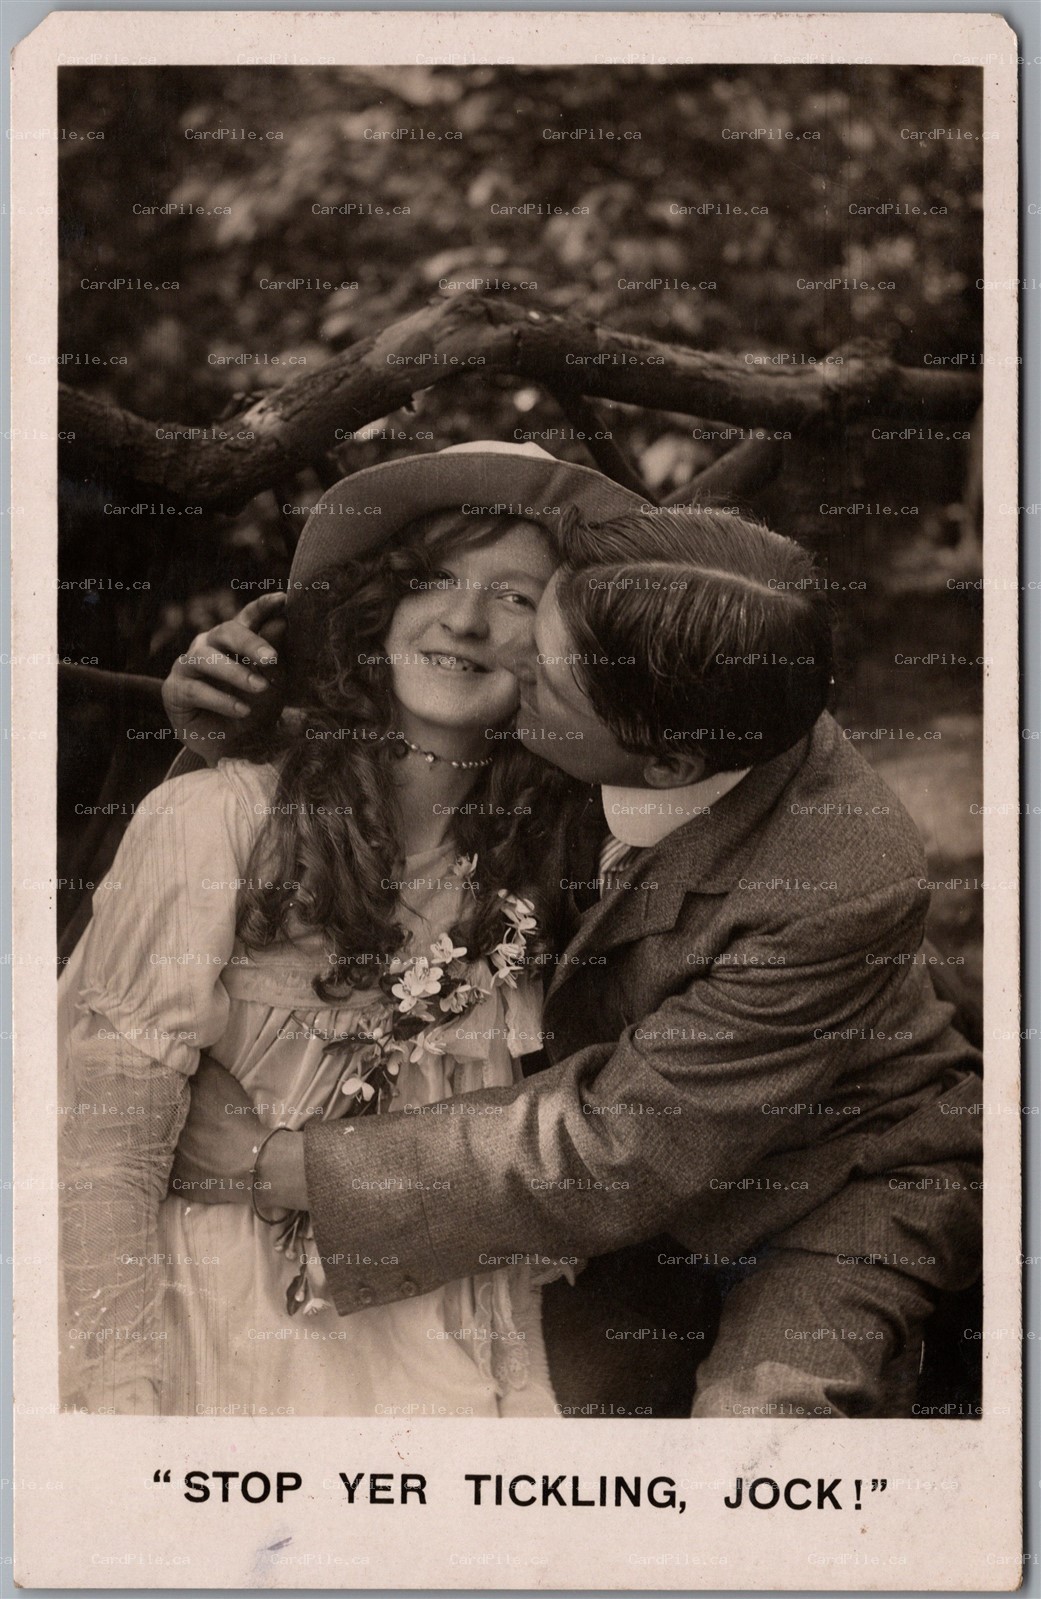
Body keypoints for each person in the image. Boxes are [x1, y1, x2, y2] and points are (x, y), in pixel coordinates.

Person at [165, 442, 983, 1418]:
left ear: (667, 762)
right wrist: (235, 719)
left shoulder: (840, 878)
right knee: (539, 1409)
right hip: (601, 1195)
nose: (498, 659)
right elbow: (369, 753)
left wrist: (276, 1168)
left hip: (824, 1187)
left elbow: (615, 1148)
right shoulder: (634, 663)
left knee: (759, 1440)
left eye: (545, 680)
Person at [59, 484, 609, 1417]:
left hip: (431, 1331)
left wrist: (523, 1395)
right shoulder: (215, 821)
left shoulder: (547, 870)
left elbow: (509, 1175)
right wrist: (120, 1405)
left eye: (516, 598)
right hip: (205, 1329)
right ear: (378, 608)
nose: (465, 619)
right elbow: (103, 1155)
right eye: (433, 578)